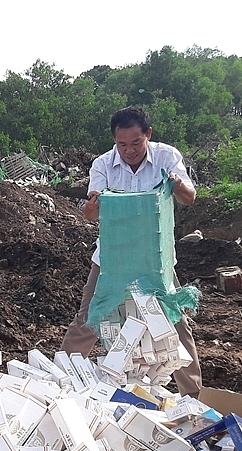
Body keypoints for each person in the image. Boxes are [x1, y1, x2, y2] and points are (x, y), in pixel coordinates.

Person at [60, 105, 201, 397]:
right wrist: (91, 206)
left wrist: (175, 184)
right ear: (115, 141)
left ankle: (194, 397)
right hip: (113, 258)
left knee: (173, 321)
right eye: (122, 144)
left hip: (154, 260)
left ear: (147, 135)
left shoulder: (166, 156)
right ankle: (59, 382)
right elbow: (91, 213)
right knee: (90, 317)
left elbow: (189, 198)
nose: (129, 151)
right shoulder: (102, 164)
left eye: (136, 143)